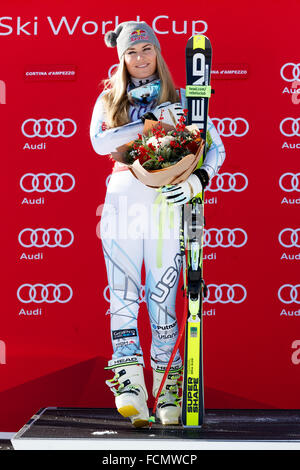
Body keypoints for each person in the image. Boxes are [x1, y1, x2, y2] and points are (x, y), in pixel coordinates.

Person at [90, 21, 226, 428]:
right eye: (132, 53)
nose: (140, 58)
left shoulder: (185, 98)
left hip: (167, 205)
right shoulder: (110, 98)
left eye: (147, 50)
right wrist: (153, 123)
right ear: (122, 59)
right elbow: (99, 142)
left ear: (158, 54)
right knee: (124, 293)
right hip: (123, 203)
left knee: (163, 296)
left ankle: (168, 387)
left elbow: (215, 147)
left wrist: (198, 181)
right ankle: (130, 385)